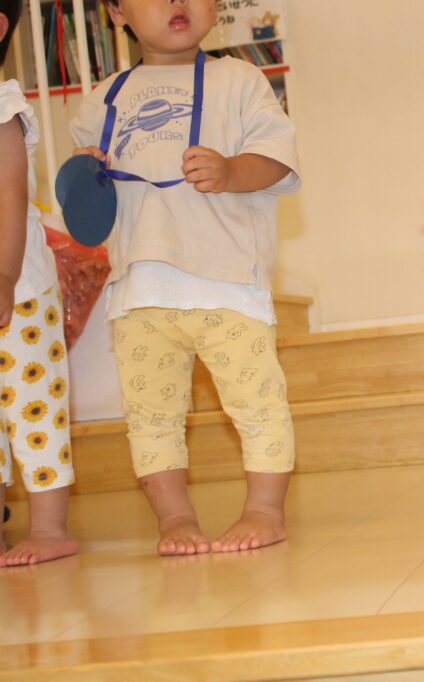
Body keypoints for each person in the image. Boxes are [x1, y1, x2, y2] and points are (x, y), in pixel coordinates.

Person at [69, 0, 300, 554]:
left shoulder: (240, 80)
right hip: (138, 290)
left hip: (227, 279)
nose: (177, 2)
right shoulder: (103, 98)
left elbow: (278, 160)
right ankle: (174, 519)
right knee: (151, 418)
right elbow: (81, 189)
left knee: (258, 403)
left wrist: (231, 170)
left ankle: (265, 511)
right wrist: (86, 169)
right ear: (117, 13)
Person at [0, 0, 77, 566]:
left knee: (33, 410)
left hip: (18, 291)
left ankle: (49, 528)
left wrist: (5, 273)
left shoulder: (2, 106)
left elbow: (9, 196)